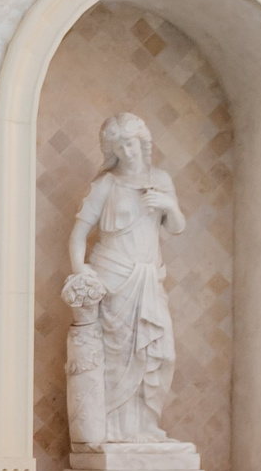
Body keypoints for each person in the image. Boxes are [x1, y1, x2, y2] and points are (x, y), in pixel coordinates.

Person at [65, 112, 184, 444]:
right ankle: (115, 431)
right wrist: (81, 273)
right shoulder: (106, 184)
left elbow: (175, 228)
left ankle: (146, 426)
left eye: (131, 143)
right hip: (113, 278)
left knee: (160, 354)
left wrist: (169, 206)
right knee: (117, 358)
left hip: (148, 279)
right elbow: (78, 235)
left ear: (142, 143)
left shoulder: (160, 179)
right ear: (112, 150)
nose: (127, 152)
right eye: (119, 146)